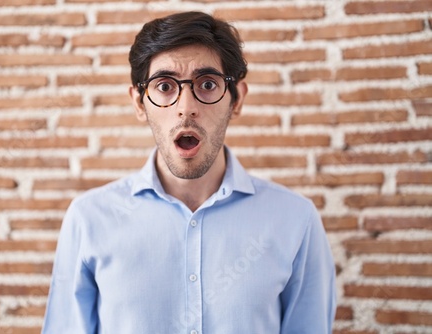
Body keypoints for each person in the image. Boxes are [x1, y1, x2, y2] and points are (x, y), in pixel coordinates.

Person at [42, 11, 336, 334]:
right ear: (140, 103)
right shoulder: (88, 220)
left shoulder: (296, 221)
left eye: (207, 84)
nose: (186, 107)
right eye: (165, 86)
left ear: (236, 100)